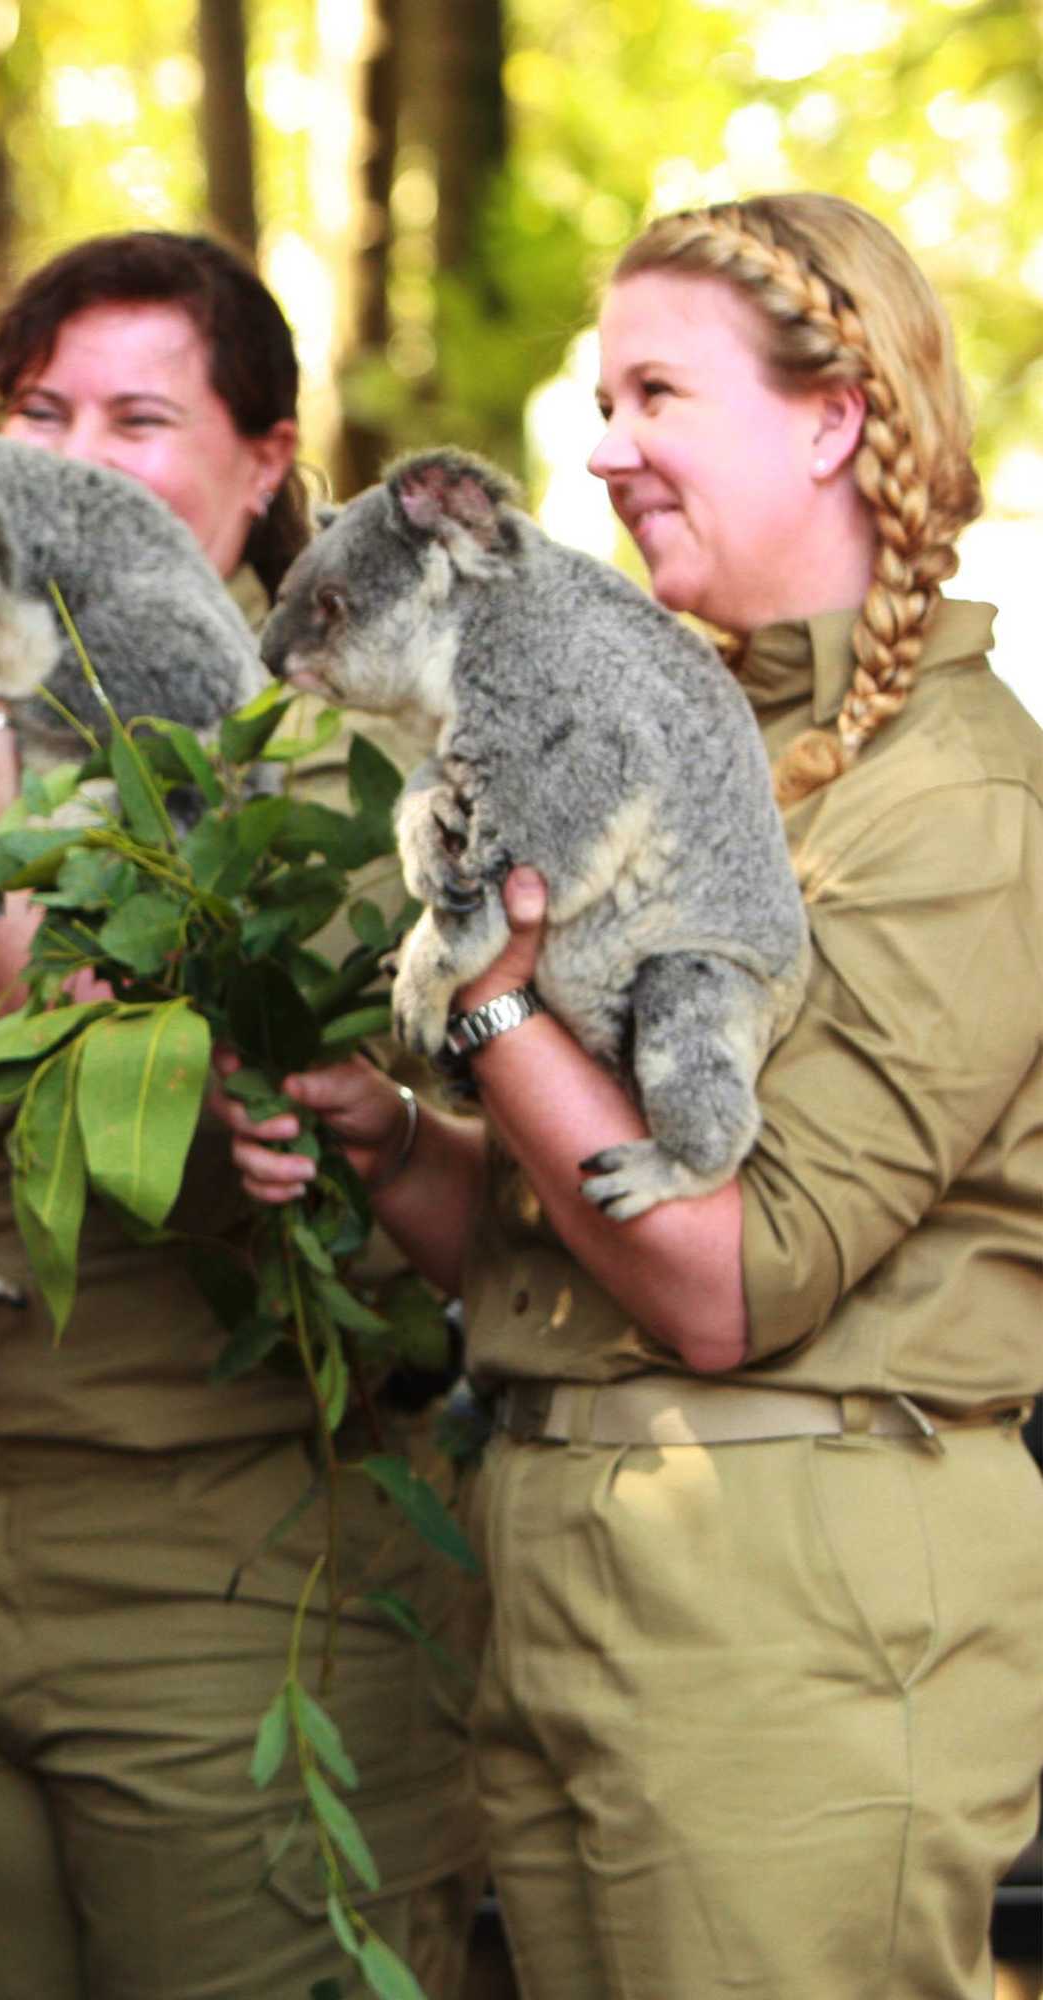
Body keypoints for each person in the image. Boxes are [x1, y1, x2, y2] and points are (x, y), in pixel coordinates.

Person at [224, 191, 1043, 1998]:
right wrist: (392, 1140)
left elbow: (727, 1281)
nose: (603, 449)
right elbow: (546, 1248)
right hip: (562, 1571)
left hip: (794, 1617)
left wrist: (497, 1002)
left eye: (657, 395)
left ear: (832, 418)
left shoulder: (959, 804)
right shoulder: (657, 720)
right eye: (603, 399)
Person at [0, 232, 478, 1998]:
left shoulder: (355, 780)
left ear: (267, 464)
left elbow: (319, 1191)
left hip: (230, 1580)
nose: (66, 462)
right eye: (32, 409)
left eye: (138, 418)